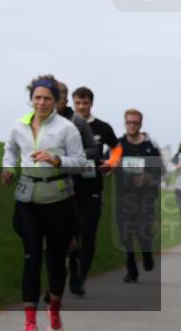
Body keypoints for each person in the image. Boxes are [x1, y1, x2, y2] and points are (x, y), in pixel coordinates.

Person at [2, 76, 86, 331]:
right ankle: (30, 322)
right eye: (37, 97)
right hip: (27, 201)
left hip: (58, 201)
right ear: (31, 99)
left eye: (47, 98)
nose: (41, 102)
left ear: (56, 101)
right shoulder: (18, 126)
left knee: (56, 259)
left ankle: (54, 311)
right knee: (32, 257)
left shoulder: (66, 128)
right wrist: (8, 169)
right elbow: (9, 151)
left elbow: (80, 163)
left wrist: (56, 160)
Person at [65, 86, 119, 296]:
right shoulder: (66, 126)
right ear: (73, 103)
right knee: (69, 236)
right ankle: (72, 267)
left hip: (92, 189)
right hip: (68, 189)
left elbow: (117, 148)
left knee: (88, 233)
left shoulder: (102, 127)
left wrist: (111, 164)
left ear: (91, 103)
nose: (81, 107)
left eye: (85, 103)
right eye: (77, 103)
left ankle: (80, 278)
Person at [108, 109, 162, 283]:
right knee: (125, 235)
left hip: (145, 198)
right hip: (123, 197)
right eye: (129, 122)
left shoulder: (150, 146)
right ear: (125, 123)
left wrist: (148, 177)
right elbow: (108, 165)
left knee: (142, 230)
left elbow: (161, 171)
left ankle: (146, 253)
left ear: (140, 124)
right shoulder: (118, 145)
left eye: (135, 123)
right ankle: (131, 270)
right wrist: (109, 167)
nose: (131, 125)